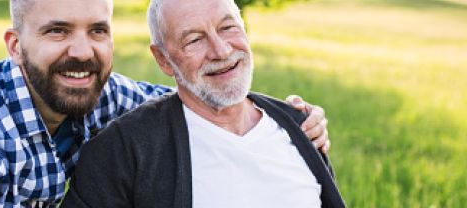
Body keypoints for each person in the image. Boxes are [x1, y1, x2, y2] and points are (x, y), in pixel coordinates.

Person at [0, 0, 331, 207]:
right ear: (15, 46)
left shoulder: (108, 96)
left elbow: (202, 95)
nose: (82, 51)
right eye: (57, 30)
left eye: (97, 30)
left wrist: (292, 118)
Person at [61, 0, 346, 207]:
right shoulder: (122, 152)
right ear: (163, 59)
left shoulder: (299, 126)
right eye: (195, 40)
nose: (221, 50)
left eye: (228, 28)